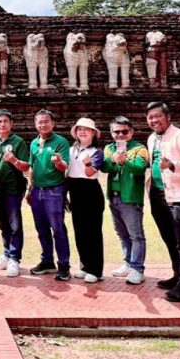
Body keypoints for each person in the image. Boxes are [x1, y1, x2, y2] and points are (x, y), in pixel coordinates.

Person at [8, 109, 73, 281]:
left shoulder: (61, 142)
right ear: (35, 124)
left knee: (58, 229)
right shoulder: (35, 143)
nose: (43, 125)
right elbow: (31, 167)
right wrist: (30, 189)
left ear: (53, 123)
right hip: (37, 191)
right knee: (41, 229)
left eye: (46, 121)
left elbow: (64, 167)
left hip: (54, 190)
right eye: (40, 122)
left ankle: (64, 265)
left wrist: (58, 162)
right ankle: (47, 261)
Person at [146, 102, 180, 302]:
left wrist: (172, 165)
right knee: (169, 238)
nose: (154, 120)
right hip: (158, 192)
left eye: (158, 116)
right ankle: (178, 275)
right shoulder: (152, 138)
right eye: (150, 117)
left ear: (167, 116)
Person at [101, 116, 150, 285]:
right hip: (114, 195)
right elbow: (104, 167)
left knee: (136, 235)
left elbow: (140, 169)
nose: (120, 135)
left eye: (125, 131)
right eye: (117, 132)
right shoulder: (109, 148)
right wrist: (113, 159)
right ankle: (128, 262)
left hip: (131, 197)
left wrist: (125, 161)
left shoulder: (139, 149)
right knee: (122, 233)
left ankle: (137, 268)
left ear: (131, 132)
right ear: (111, 133)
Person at [0, 109, 29, 278]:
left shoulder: (18, 142)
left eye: (6, 121)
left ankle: (15, 258)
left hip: (13, 189)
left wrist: (14, 160)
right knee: (3, 224)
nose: (2, 124)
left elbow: (25, 167)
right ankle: (6, 253)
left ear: (11, 124)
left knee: (14, 225)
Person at [67, 117, 105, 283]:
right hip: (75, 190)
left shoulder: (97, 152)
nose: (82, 132)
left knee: (93, 232)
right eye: (79, 129)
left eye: (86, 129)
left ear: (93, 133)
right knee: (80, 230)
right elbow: (68, 174)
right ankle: (84, 265)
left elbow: (90, 173)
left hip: (90, 191)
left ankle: (95, 270)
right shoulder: (71, 150)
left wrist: (88, 164)